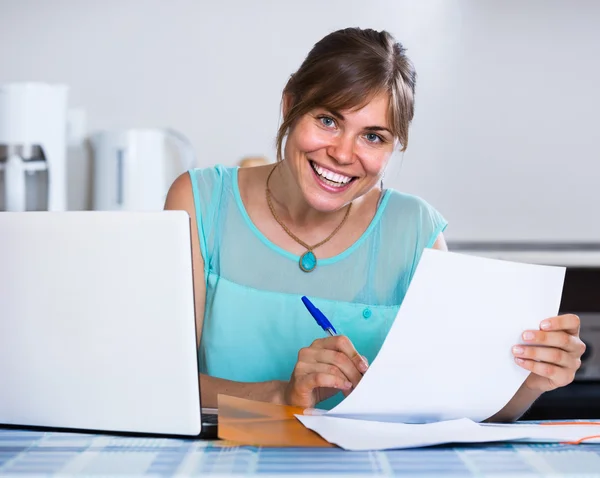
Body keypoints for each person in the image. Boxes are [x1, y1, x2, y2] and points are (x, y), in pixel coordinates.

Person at [164, 27, 585, 420]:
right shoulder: (199, 202)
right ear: (290, 106)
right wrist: (281, 396)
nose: (344, 154)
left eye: (373, 137)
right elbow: (161, 381)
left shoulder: (415, 229)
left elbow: (458, 407)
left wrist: (530, 382)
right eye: (328, 120)